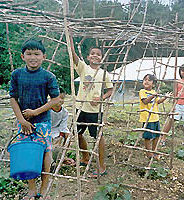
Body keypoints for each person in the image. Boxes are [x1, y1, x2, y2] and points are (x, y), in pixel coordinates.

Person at [9, 39, 60, 200]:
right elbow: (12, 98)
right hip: (24, 123)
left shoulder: (48, 76)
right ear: (22, 56)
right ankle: (32, 188)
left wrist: (35, 112)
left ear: (43, 56)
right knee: (27, 153)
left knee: (46, 153)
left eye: (36, 54)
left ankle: (43, 188)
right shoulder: (17, 74)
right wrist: (22, 120)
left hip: (43, 121)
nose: (33, 57)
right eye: (29, 54)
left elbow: (55, 100)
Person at [69, 33, 113, 177]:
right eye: (92, 54)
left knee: (98, 137)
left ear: (102, 58)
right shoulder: (83, 68)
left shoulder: (104, 73)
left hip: (95, 111)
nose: (95, 56)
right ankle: (85, 157)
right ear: (88, 57)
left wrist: (101, 98)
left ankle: (102, 166)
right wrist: (69, 35)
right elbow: (73, 53)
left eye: (98, 54)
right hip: (81, 108)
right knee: (78, 134)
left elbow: (110, 90)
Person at [162, 64, 184, 147]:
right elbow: (175, 94)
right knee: (171, 120)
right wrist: (173, 105)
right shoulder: (177, 82)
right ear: (180, 72)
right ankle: (163, 138)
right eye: (182, 70)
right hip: (178, 104)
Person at [139, 74, 171, 159]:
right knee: (147, 136)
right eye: (145, 79)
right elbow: (145, 101)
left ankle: (154, 151)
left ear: (153, 84)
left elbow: (158, 101)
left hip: (155, 117)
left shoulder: (153, 92)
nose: (146, 81)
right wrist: (153, 96)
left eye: (149, 80)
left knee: (157, 135)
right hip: (147, 118)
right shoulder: (142, 91)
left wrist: (165, 97)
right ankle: (148, 153)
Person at [51, 88, 75, 166]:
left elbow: (63, 126)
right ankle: (51, 158)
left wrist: (62, 135)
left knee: (69, 135)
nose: (60, 100)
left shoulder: (64, 112)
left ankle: (62, 154)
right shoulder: (47, 110)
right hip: (47, 129)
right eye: (58, 98)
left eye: (62, 98)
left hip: (57, 129)